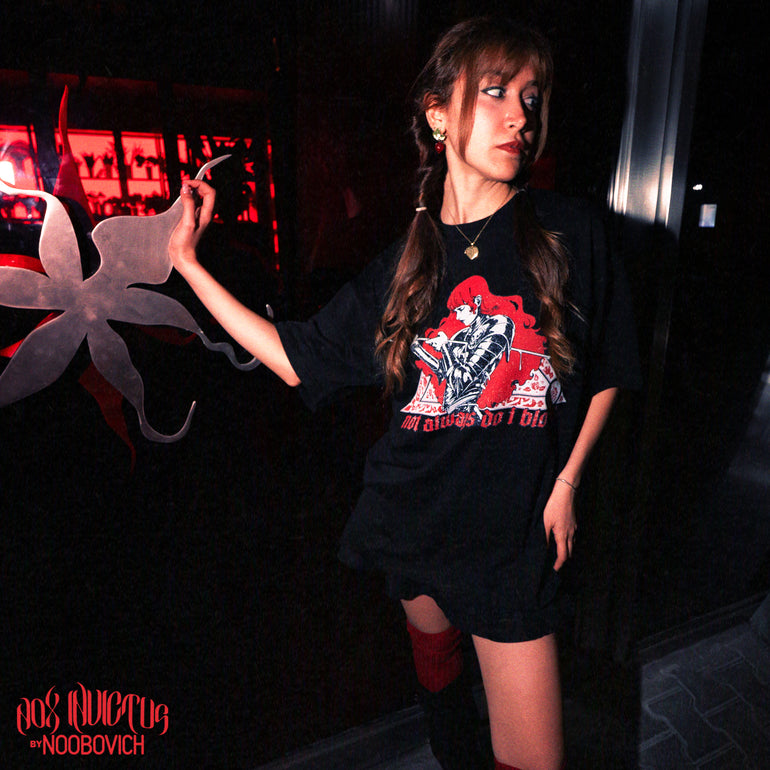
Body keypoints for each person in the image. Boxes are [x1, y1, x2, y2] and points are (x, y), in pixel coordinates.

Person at [168, 16, 639, 770]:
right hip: (413, 516)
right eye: (495, 92)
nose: (521, 116)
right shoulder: (404, 266)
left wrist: (567, 481)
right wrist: (190, 266)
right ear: (437, 114)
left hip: (513, 540)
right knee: (439, 672)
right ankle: (451, 743)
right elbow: (295, 359)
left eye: (531, 96)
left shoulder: (567, 232)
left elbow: (611, 366)